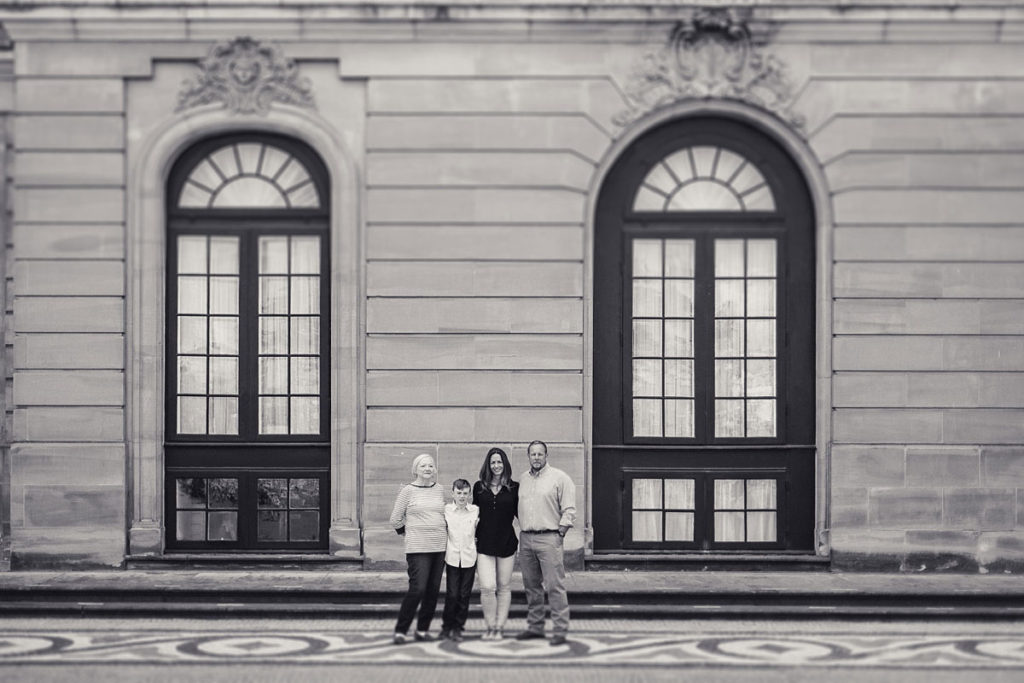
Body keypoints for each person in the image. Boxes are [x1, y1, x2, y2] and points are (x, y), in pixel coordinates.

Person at [515, 439, 576, 646]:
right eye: (533, 454)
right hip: (526, 539)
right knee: (531, 586)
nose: (536, 457)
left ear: (546, 455)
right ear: (528, 456)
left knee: (554, 586)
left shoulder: (560, 478)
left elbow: (569, 509)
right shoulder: (523, 479)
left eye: (540, 454)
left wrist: (560, 532)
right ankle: (535, 627)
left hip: (549, 538)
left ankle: (560, 629)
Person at [389, 452, 447, 644]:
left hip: (439, 547)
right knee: (418, 589)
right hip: (417, 548)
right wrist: (409, 532)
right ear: (416, 469)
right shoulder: (408, 491)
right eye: (423, 466)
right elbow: (395, 518)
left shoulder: (439, 489)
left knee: (432, 591)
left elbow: (444, 514)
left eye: (431, 465)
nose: (428, 469)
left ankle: (422, 630)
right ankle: (401, 630)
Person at [472, 447, 519, 640]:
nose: (496, 465)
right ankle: (490, 626)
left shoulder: (514, 487)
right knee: (487, 587)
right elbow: (472, 515)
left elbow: (522, 514)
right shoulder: (479, 487)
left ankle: (499, 627)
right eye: (493, 462)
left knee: (504, 586)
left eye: (500, 462)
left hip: (507, 543)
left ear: (505, 464)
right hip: (484, 543)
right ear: (488, 465)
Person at [439, 479, 479, 642]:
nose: (462, 496)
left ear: (469, 494)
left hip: (469, 557)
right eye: (459, 493)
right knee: (452, 594)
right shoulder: (446, 510)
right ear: (453, 493)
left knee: (464, 594)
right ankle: (446, 627)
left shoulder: (475, 510)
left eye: (465, 493)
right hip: (453, 557)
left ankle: (458, 627)